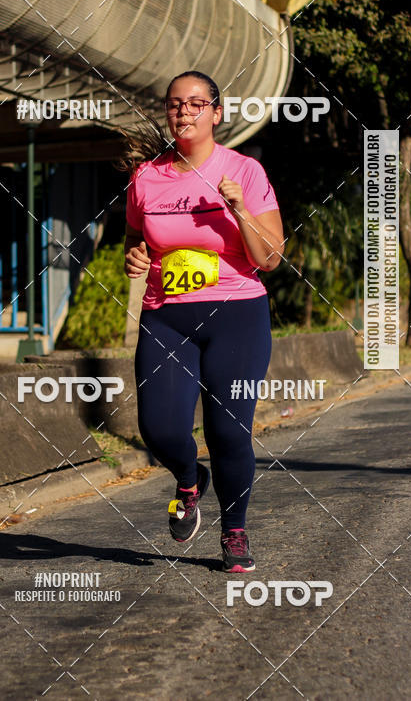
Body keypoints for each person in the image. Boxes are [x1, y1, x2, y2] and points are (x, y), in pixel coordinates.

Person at [124, 70, 283, 572]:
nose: (184, 111)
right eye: (175, 103)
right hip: (166, 317)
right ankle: (191, 481)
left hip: (237, 313)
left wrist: (239, 209)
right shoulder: (146, 177)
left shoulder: (245, 172)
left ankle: (234, 530)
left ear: (216, 112)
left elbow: (270, 258)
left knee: (230, 432)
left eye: (197, 103)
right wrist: (135, 257)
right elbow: (137, 236)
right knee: (159, 428)